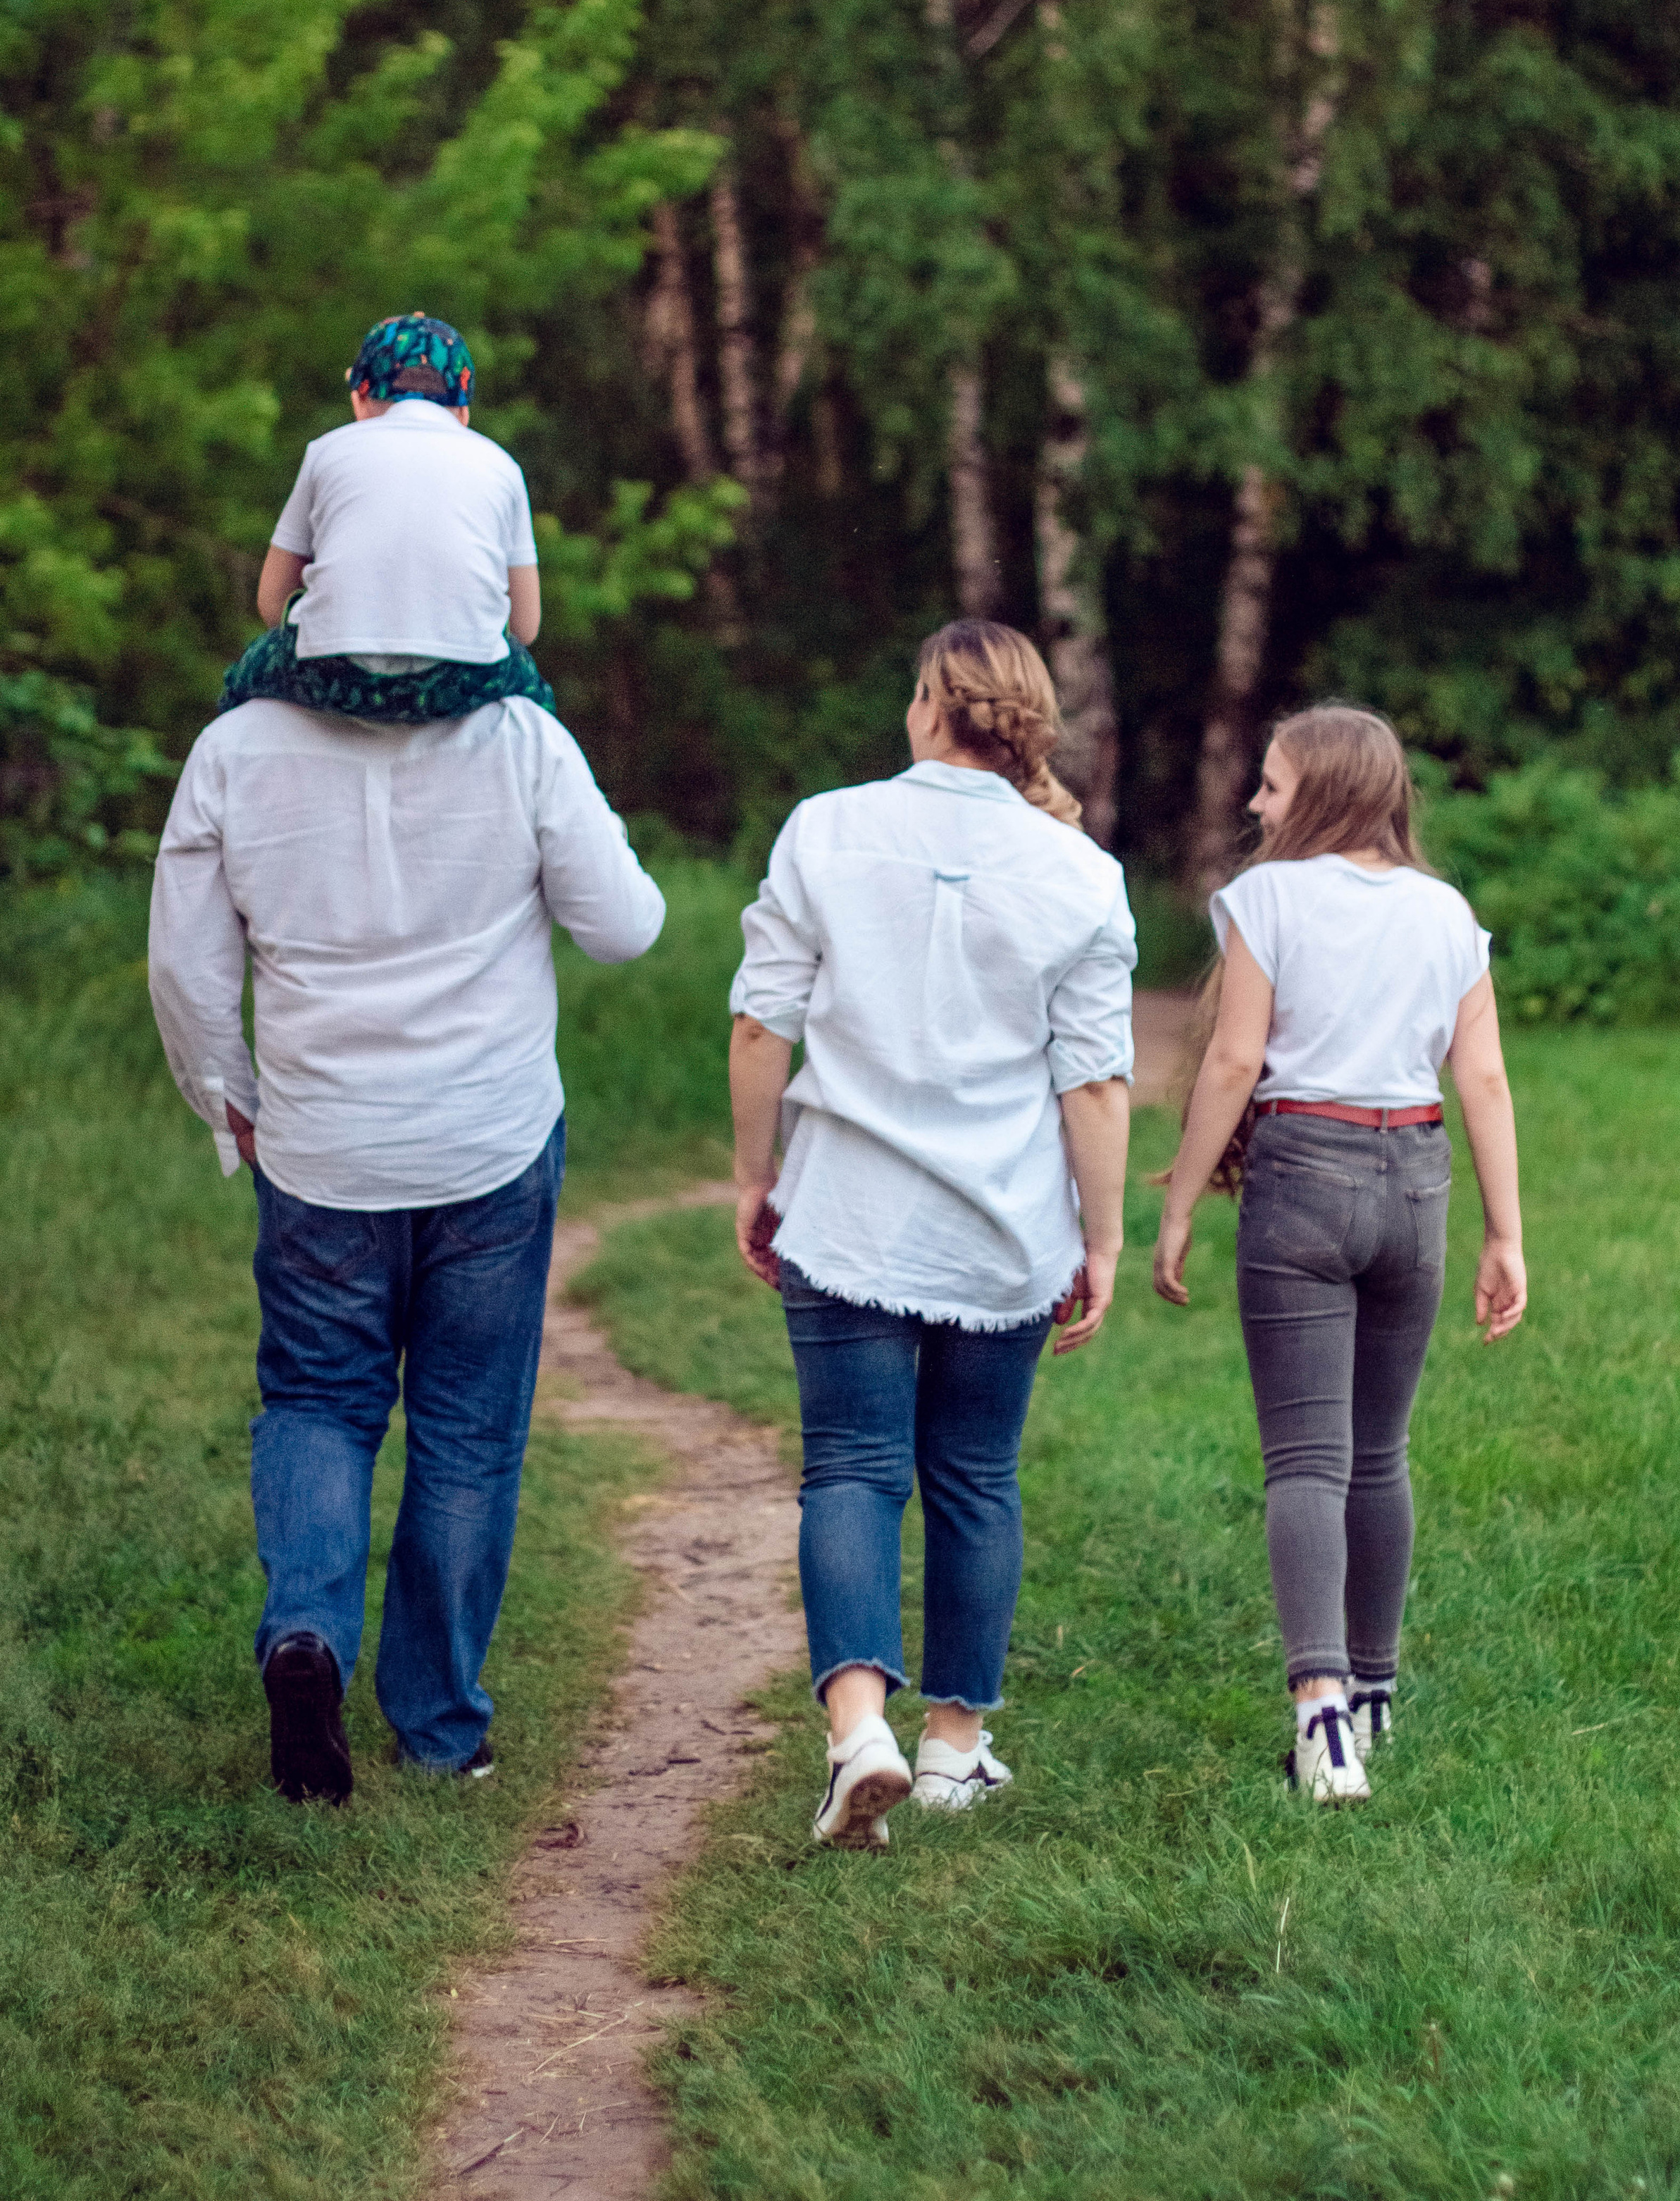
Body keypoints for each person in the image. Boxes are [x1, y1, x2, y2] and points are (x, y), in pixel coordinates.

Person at [148, 683, 664, 1804]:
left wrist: (227, 1098)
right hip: (489, 1140)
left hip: (322, 1147)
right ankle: (437, 1731)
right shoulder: (521, 737)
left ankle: (307, 1639)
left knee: (318, 1402)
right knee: (468, 1430)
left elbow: (186, 967)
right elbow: (624, 927)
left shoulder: (235, 744)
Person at [729, 621, 1135, 1850]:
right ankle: (954, 1751)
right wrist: (1104, 1237)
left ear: (925, 707)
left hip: (847, 1212)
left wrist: (754, 1176)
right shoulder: (1081, 874)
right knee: (975, 1476)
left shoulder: (826, 830)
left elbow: (761, 1025)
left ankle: (860, 1732)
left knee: (852, 1468)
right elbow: (1095, 1082)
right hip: (1003, 1231)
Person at [1152, 705, 1526, 1804]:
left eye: (1270, 785)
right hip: (1416, 1179)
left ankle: (1319, 1716)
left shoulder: (1268, 898)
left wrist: (1180, 1201)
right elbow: (1483, 1078)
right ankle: (1373, 1697)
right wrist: (1505, 1233)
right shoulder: (1447, 912)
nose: (1255, 803)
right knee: (1380, 1453)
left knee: (1307, 1462)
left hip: (1304, 1175)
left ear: (1319, 792)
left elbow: (1234, 1061)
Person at [220, 311, 556, 724]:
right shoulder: (502, 467)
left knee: (244, 678)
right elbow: (526, 626)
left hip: (335, 672)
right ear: (463, 414)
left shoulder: (326, 451)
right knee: (536, 698)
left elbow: (272, 602)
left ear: (359, 401)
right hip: (462, 679)